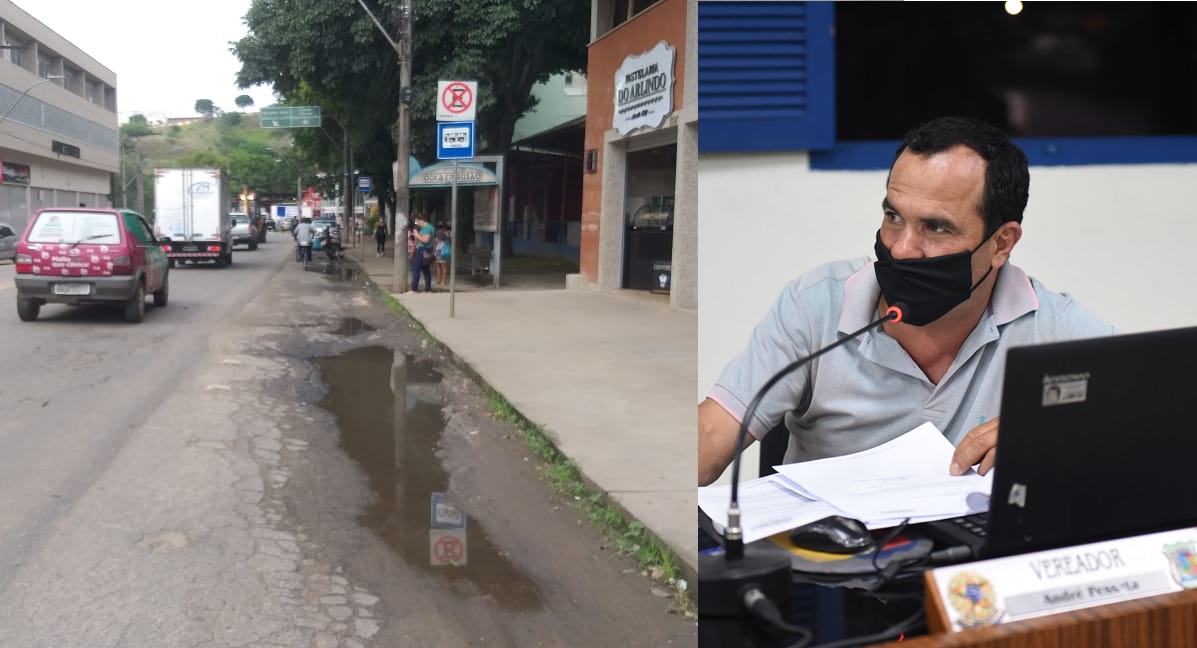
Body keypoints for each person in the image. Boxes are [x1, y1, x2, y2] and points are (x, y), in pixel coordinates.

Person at [697, 116, 1117, 487]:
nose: (901, 249)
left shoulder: (1053, 325)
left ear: (1001, 243)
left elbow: (1163, 416)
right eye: (893, 217)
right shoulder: (815, 304)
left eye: (935, 228)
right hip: (832, 568)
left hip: (969, 569)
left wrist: (1051, 433)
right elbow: (713, 434)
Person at [410, 213, 435, 293]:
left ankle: (414, 289)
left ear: (421, 220)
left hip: (423, 250)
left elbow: (425, 240)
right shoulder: (426, 227)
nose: (416, 223)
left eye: (417, 221)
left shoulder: (427, 228)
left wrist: (417, 235)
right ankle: (428, 289)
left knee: (416, 269)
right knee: (426, 269)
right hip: (426, 250)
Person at [434, 221, 451, 286]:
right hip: (445, 250)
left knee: (438, 265)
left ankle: (439, 280)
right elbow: (449, 241)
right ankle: (443, 281)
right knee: (443, 265)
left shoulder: (438, 232)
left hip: (439, 249)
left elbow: (436, 241)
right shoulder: (448, 232)